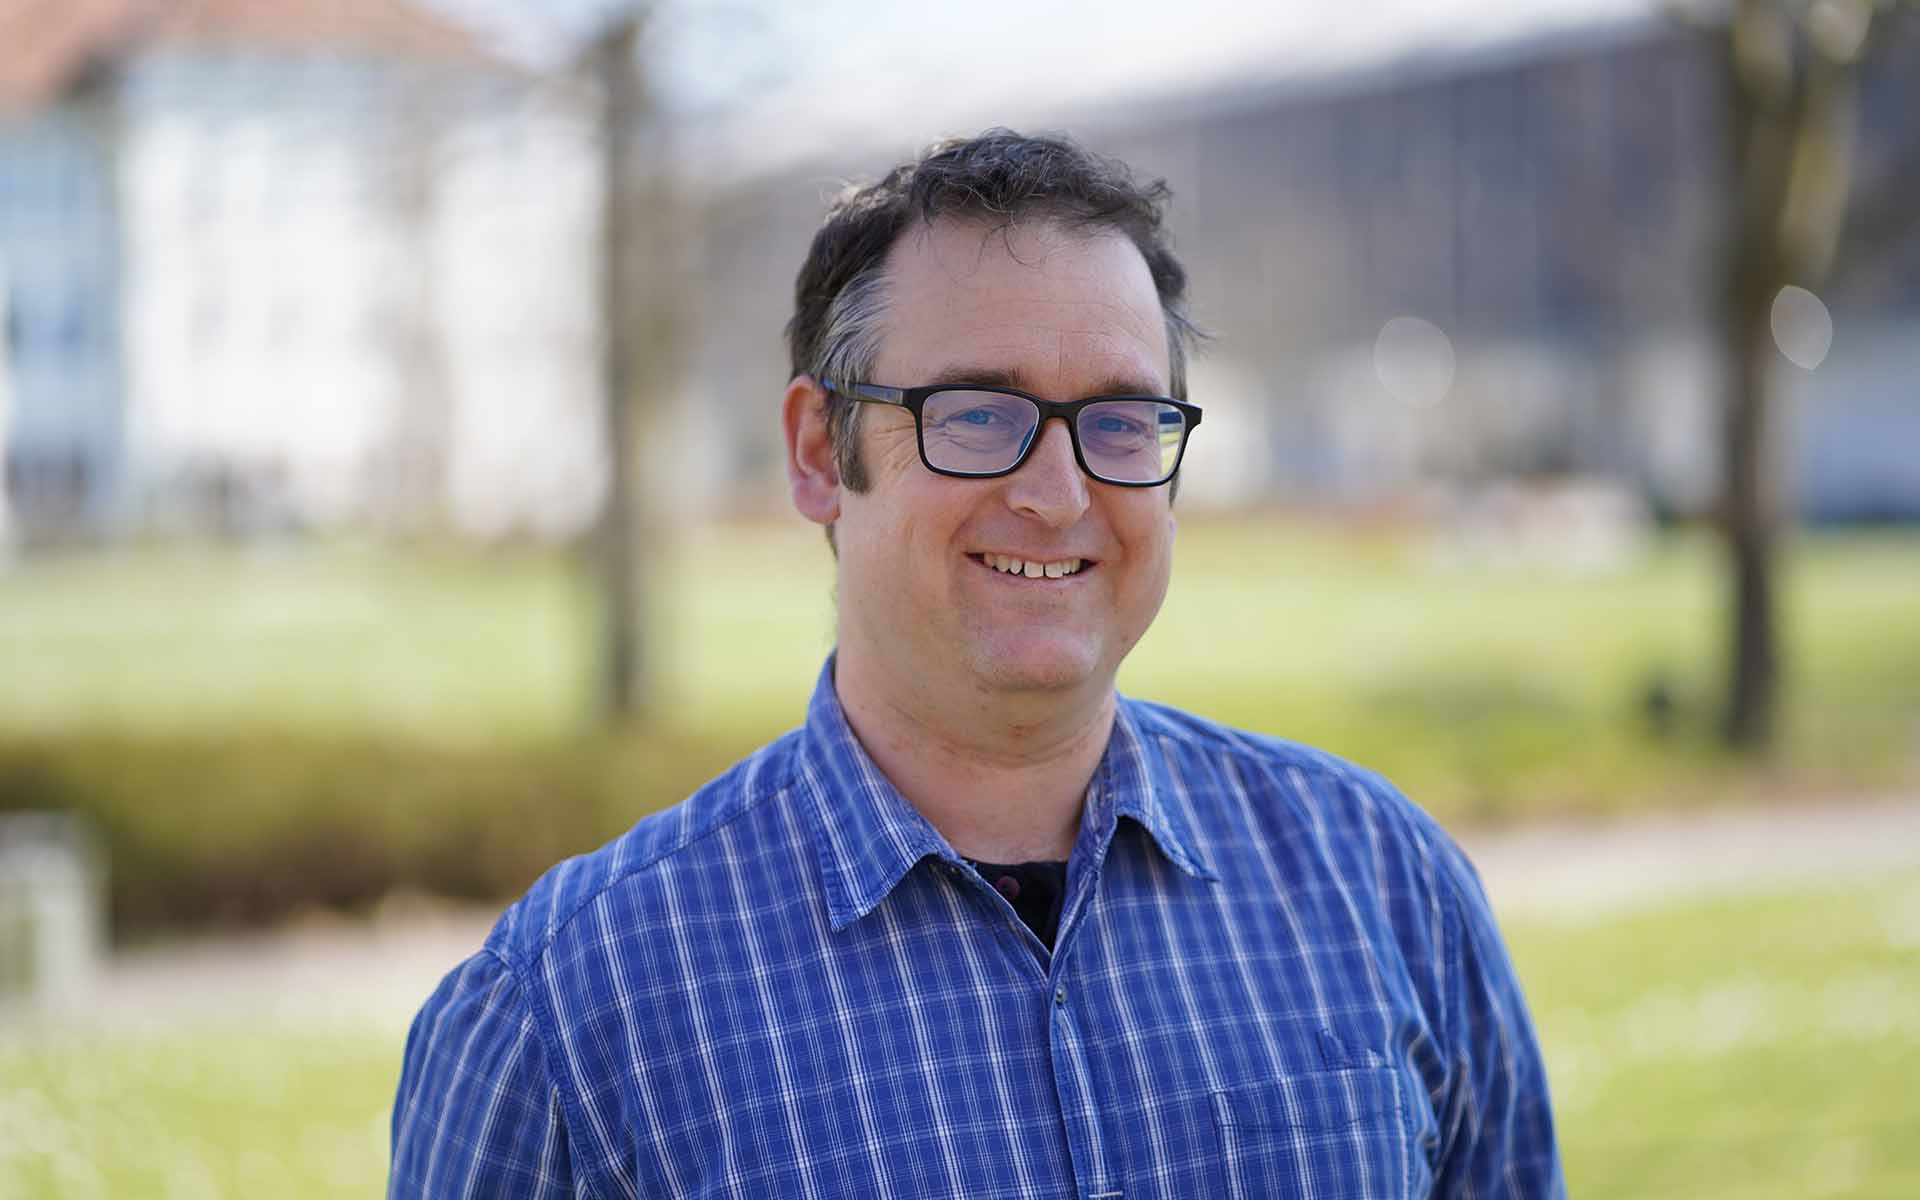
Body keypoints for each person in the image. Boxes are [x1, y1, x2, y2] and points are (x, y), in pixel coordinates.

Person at [390, 129, 1564, 1199]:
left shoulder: (1386, 886)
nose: (1058, 495)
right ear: (816, 450)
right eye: (976, 414)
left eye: (1118, 421)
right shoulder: (568, 1018)